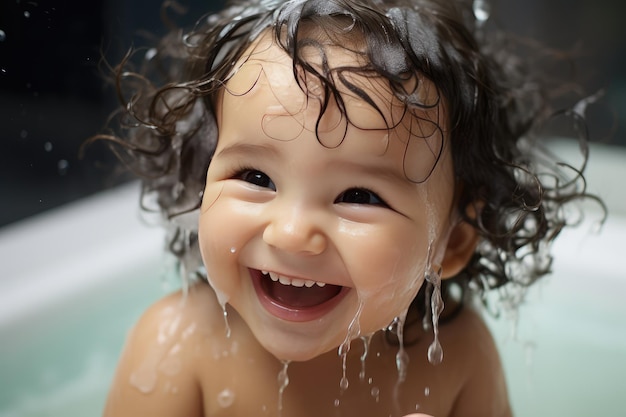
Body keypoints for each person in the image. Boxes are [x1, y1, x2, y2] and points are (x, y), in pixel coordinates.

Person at [87, 0, 601, 416]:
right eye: (255, 178)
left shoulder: (458, 356)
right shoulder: (177, 348)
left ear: (452, 243)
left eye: (359, 196)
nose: (290, 233)